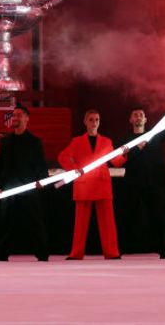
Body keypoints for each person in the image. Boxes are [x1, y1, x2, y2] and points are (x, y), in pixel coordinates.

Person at [115, 102, 165, 259]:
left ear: (145, 119)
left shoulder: (155, 135)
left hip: (153, 182)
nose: (138, 117)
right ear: (130, 119)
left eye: (141, 115)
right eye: (135, 115)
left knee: (158, 217)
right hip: (133, 183)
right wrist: (137, 148)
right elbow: (122, 160)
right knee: (127, 217)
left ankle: (164, 250)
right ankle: (119, 250)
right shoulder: (126, 140)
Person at [58, 109, 123, 260]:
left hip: (101, 183)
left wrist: (124, 152)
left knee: (108, 222)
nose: (94, 122)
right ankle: (76, 253)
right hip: (84, 183)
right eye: (91, 119)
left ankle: (112, 252)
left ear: (99, 122)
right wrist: (75, 170)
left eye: (97, 119)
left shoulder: (106, 142)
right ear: (85, 122)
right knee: (80, 223)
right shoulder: (77, 141)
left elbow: (117, 162)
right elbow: (63, 156)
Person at [0, 104, 50, 262]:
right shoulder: (5, 141)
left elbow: (41, 165)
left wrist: (41, 180)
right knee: (5, 222)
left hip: (28, 190)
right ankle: (0, 255)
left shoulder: (35, 142)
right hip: (9, 190)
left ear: (27, 119)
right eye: (14, 115)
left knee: (35, 223)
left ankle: (42, 254)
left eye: (19, 115)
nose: (15, 117)